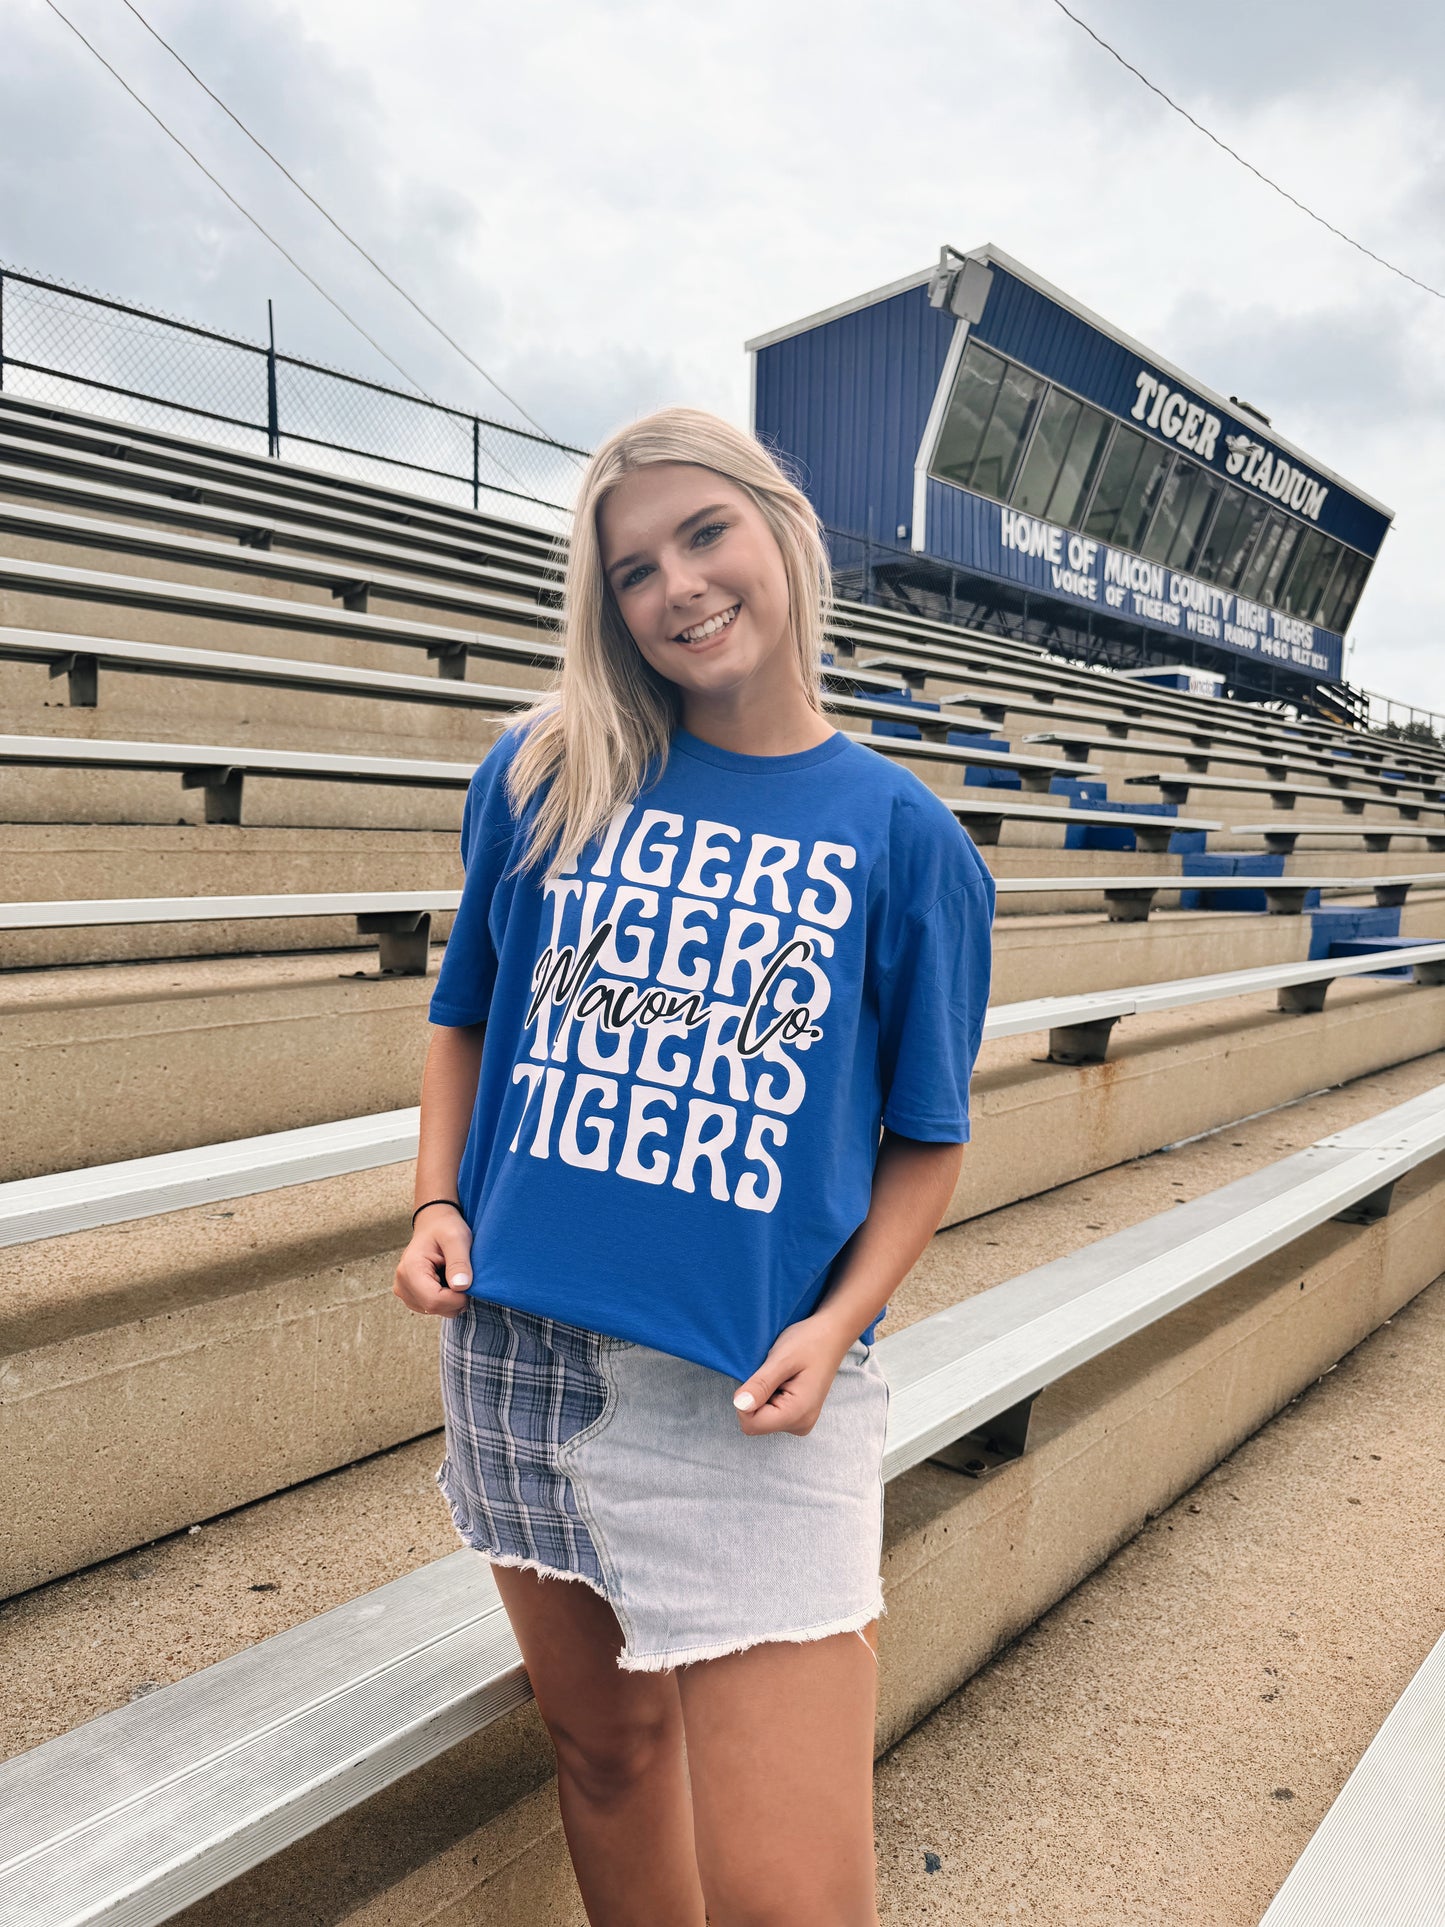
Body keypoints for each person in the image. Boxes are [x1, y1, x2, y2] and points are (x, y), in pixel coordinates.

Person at [393, 405, 994, 1926]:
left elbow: (926, 1141)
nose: (675, 585)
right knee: (600, 1757)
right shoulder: (542, 773)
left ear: (780, 528)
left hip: (748, 1397)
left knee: (796, 1905)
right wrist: (436, 1198)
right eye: (632, 568)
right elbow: (463, 1020)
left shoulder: (907, 840)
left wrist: (833, 1325)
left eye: (701, 534)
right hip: (517, 1355)